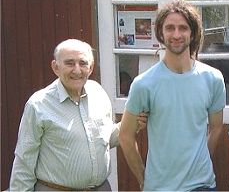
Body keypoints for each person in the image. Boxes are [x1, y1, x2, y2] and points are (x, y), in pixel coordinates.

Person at [9, 39, 147, 191]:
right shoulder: (39, 105)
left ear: (91, 67)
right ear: (55, 67)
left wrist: (131, 124)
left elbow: (105, 139)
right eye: (69, 63)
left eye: (82, 63)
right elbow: (24, 161)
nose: (77, 70)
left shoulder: (98, 93)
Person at [119, 0, 226, 191]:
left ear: (192, 33)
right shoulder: (144, 84)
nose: (176, 34)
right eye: (170, 28)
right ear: (160, 32)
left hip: (202, 186)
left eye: (183, 28)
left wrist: (199, 162)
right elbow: (125, 136)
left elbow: (217, 128)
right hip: (159, 187)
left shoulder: (213, 79)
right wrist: (143, 179)